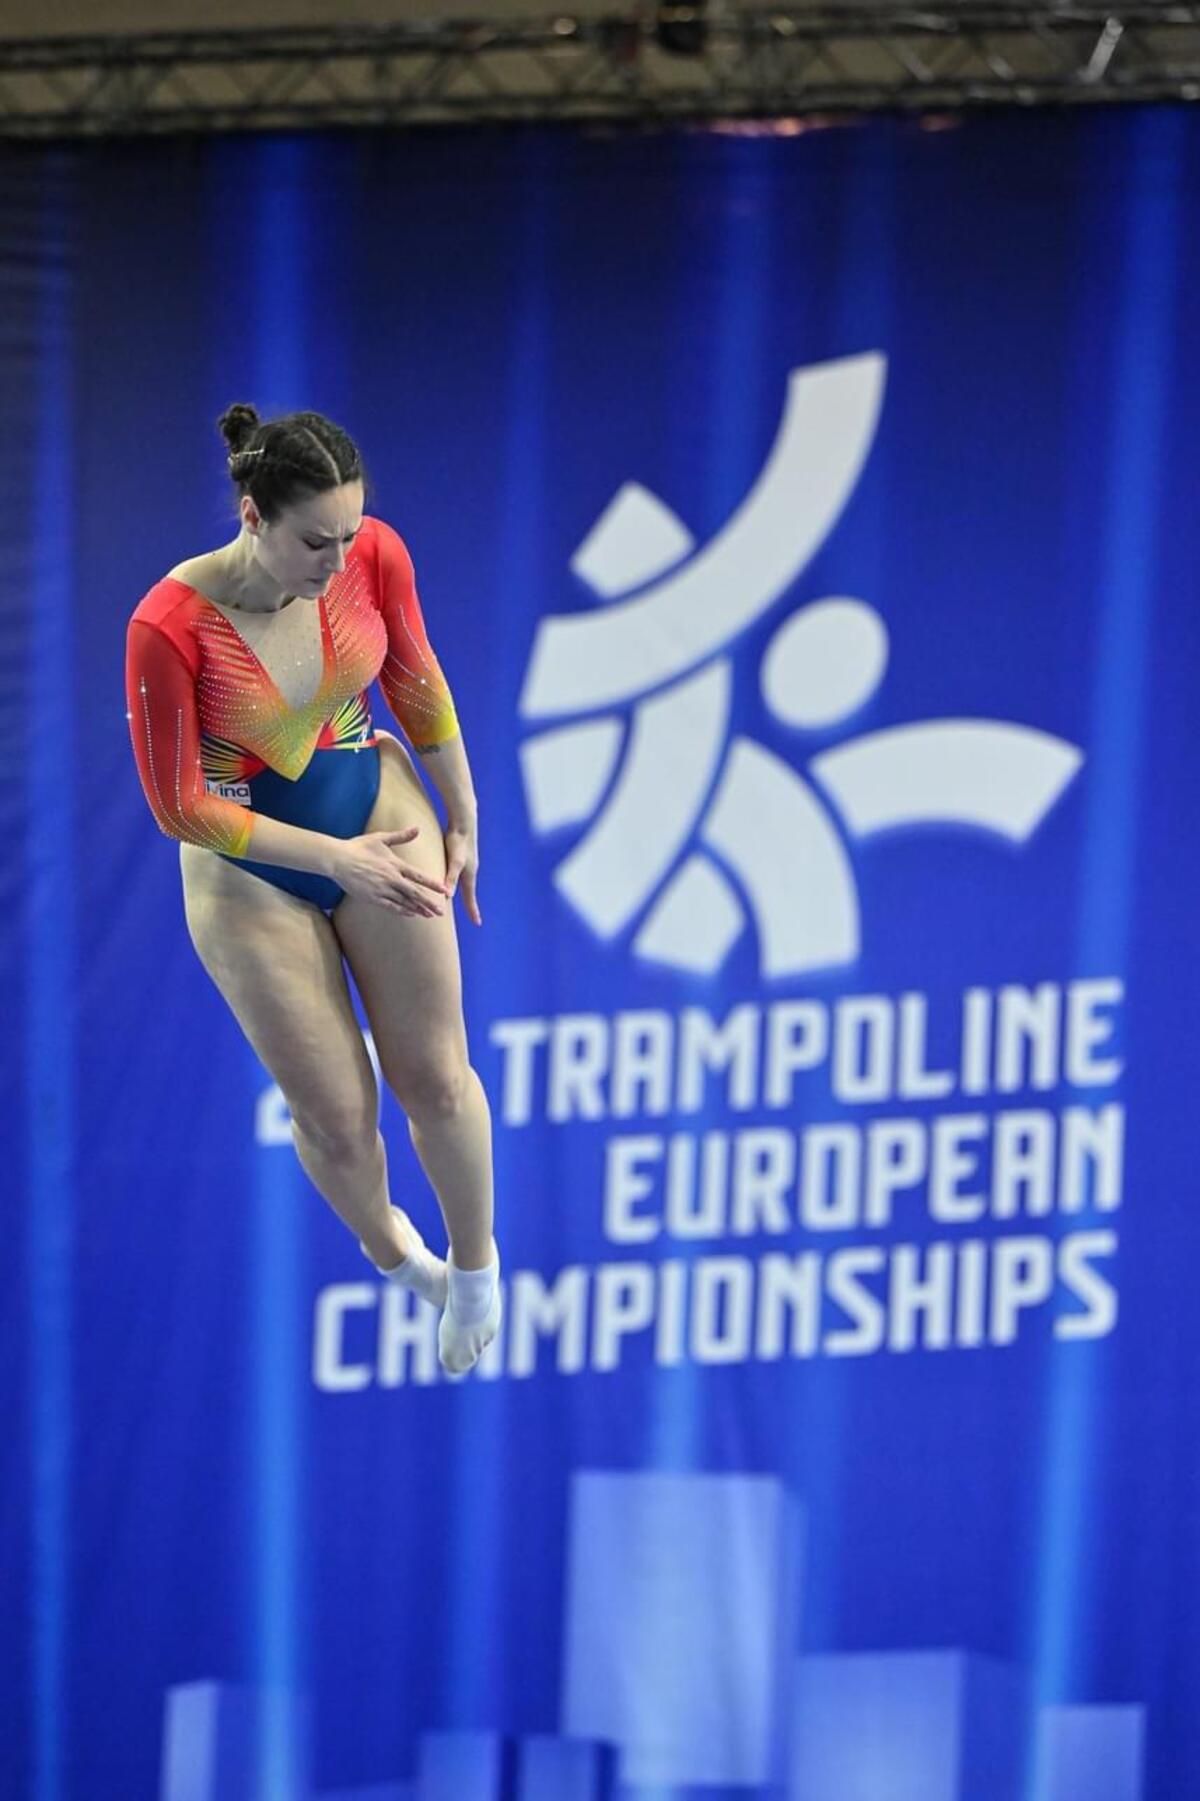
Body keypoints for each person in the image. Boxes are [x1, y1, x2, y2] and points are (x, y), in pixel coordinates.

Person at [125, 404, 501, 1377]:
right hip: (251, 876)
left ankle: (475, 1268)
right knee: (338, 1114)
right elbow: (179, 805)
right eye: (314, 542)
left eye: (349, 534)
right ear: (252, 516)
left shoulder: (372, 554)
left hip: (373, 807)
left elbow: (416, 678)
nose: (339, 562)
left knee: (435, 1074)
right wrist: (336, 862)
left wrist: (461, 808)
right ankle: (394, 1252)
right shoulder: (171, 626)